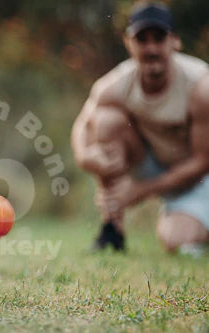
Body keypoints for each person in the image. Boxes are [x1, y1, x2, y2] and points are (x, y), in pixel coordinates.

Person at [71, 2, 209, 253]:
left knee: (174, 240)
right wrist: (85, 157)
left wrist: (138, 191)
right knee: (106, 121)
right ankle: (112, 231)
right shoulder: (114, 84)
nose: (151, 48)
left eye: (159, 38)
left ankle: (193, 223)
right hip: (154, 163)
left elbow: (202, 161)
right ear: (128, 43)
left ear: (175, 41)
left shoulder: (200, 86)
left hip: (199, 179)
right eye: (142, 39)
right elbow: (83, 124)